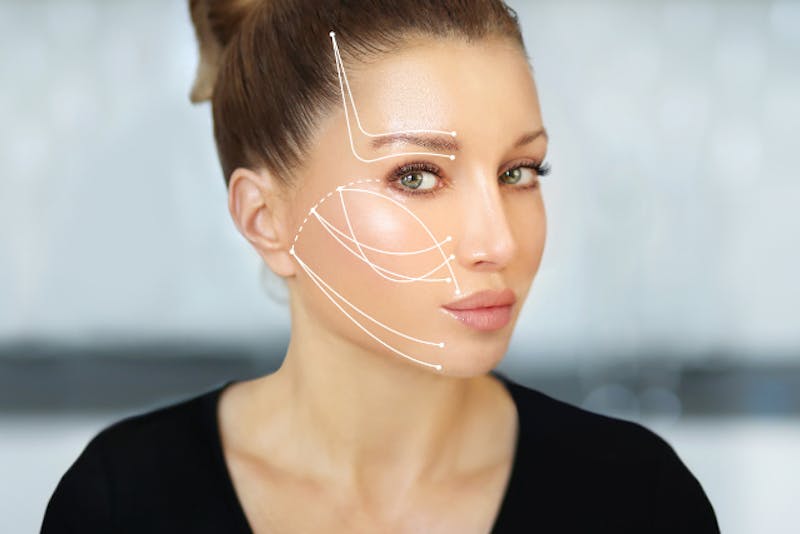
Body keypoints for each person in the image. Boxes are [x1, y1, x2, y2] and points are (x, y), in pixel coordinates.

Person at [41, 0, 720, 532]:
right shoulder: (122, 503)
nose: (499, 242)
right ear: (264, 220)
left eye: (519, 171)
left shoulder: (639, 500)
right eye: (418, 177)